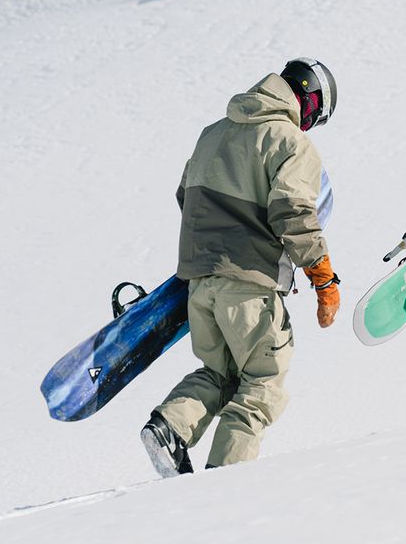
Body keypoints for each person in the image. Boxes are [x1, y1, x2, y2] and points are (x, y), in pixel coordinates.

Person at [140, 58, 340, 476]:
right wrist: (322, 277)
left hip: (199, 283)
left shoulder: (211, 135)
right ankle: (226, 481)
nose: (308, 126)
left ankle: (170, 427)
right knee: (262, 383)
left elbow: (185, 197)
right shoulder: (290, 142)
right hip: (249, 286)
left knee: (220, 372)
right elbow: (294, 211)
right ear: (310, 102)